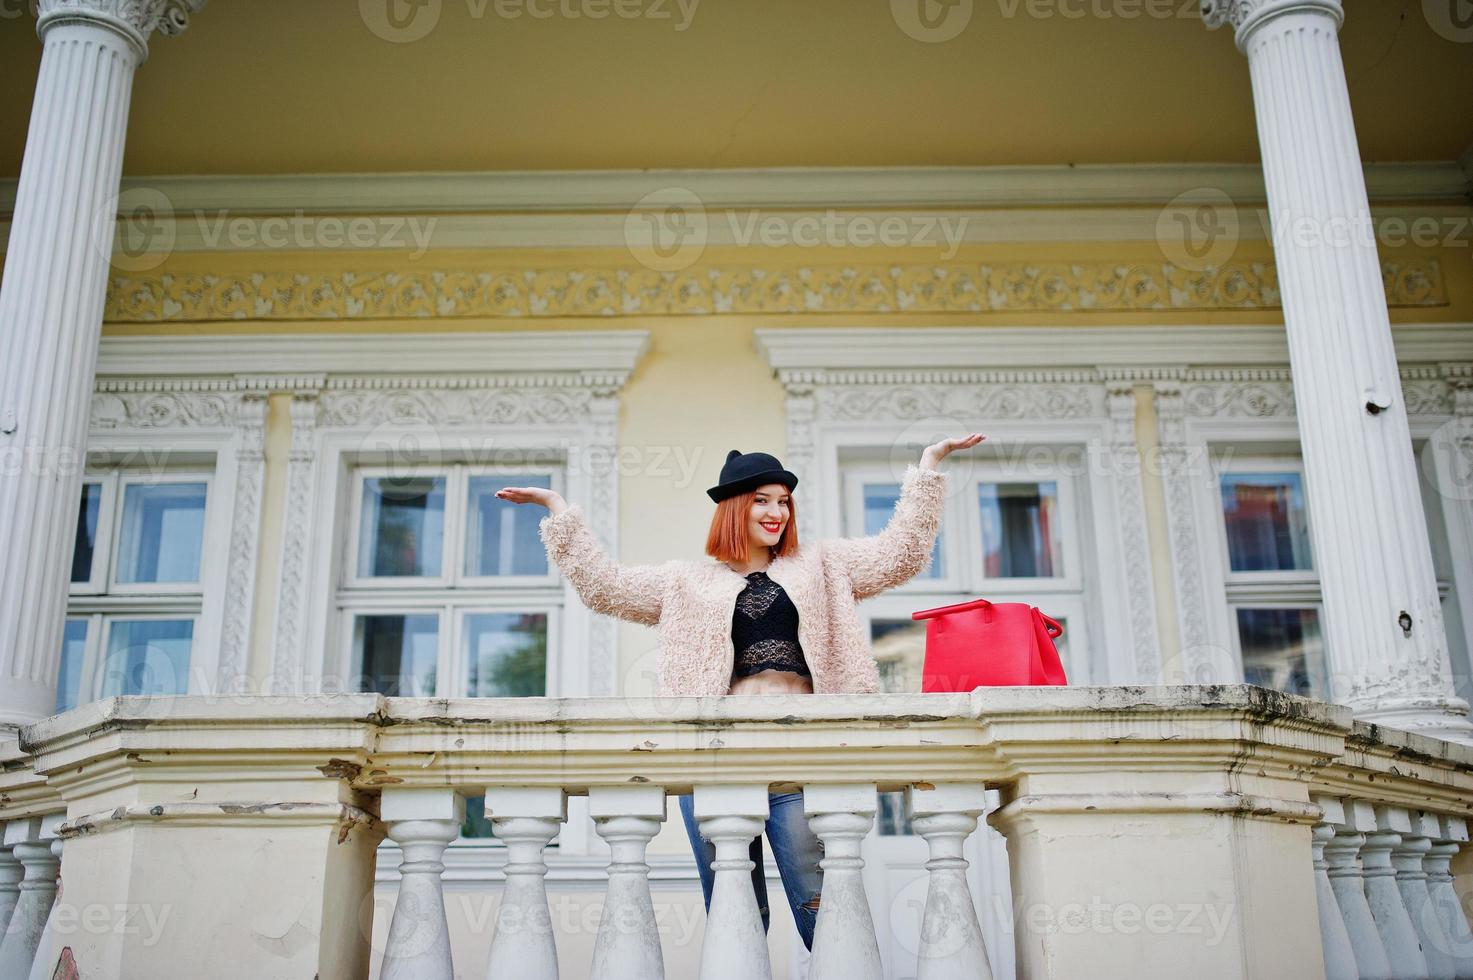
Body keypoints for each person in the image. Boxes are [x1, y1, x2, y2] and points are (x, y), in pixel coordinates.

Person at [495, 432, 983, 951]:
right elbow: (604, 586)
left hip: (802, 754)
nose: (776, 513)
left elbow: (900, 555)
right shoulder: (684, 583)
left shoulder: (824, 566)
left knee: (823, 903)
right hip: (713, 761)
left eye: (783, 502)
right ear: (733, 508)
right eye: (761, 501)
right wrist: (558, 509)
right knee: (736, 908)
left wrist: (928, 468)